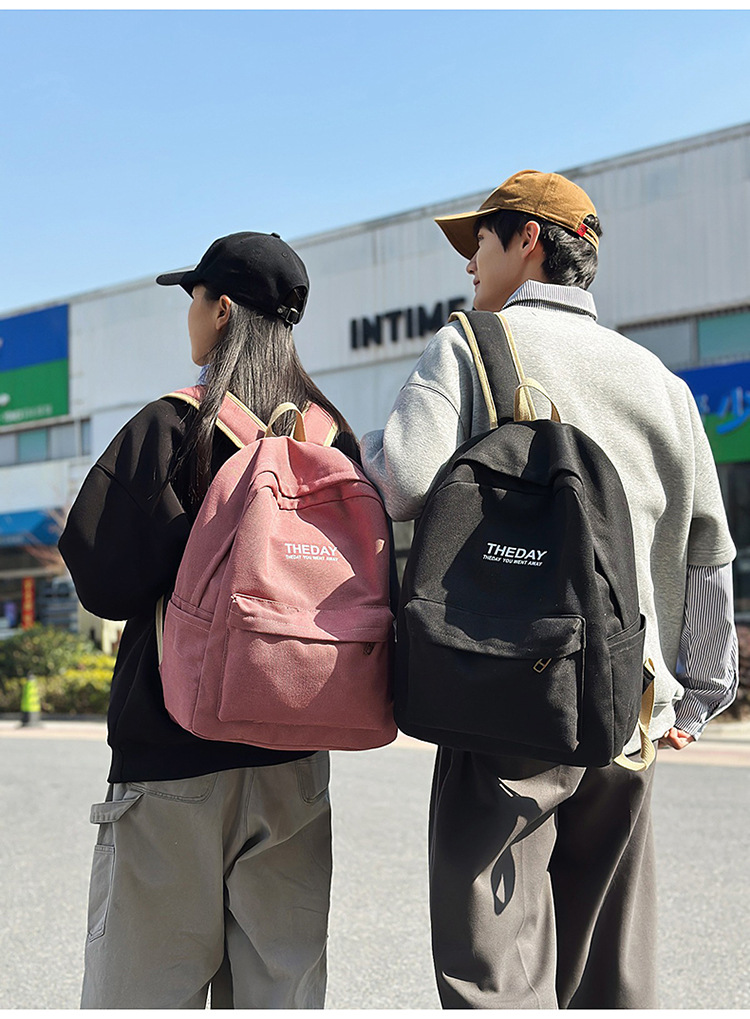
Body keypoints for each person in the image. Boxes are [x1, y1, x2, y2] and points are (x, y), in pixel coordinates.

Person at [360, 170, 738, 1009]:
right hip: (626, 705)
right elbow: (709, 551)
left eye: (480, 240)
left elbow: (401, 482)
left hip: (505, 686)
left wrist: (357, 452)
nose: (469, 264)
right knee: (608, 965)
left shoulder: (473, 343)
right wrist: (697, 695)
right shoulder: (663, 384)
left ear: (528, 240)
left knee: (493, 963)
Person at [59, 231, 359, 1009]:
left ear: (220, 310)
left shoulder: (176, 430)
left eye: (193, 298)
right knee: (279, 996)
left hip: (172, 759)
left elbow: (101, 577)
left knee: (142, 992)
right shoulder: (332, 442)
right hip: (295, 763)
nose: (188, 314)